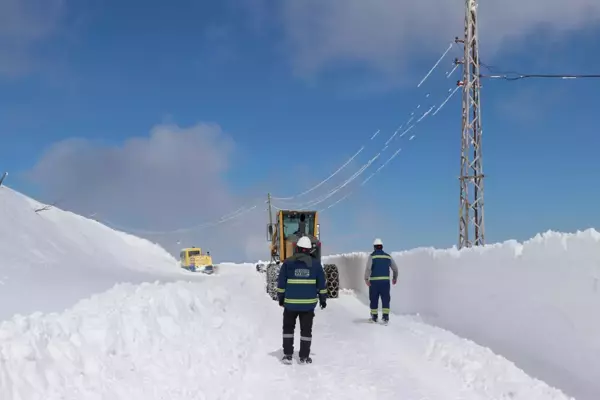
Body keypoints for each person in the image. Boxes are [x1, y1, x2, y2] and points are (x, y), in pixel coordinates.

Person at [276, 236, 327, 364]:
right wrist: (322, 299)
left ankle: (288, 355)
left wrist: (281, 299)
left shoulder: (287, 263)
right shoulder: (315, 265)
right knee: (306, 331)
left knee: (288, 329)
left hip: (290, 304)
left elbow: (281, 284)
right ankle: (304, 357)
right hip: (308, 306)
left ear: (297, 248)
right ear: (310, 250)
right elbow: (321, 284)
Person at [364, 238, 398, 324]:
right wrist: (394, 278)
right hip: (385, 283)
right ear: (382, 247)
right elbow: (395, 268)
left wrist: (366, 279)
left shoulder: (372, 256)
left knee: (374, 299)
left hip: (374, 283)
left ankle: (374, 317)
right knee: (385, 299)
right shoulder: (387, 256)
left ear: (374, 247)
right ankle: (385, 317)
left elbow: (368, 268)